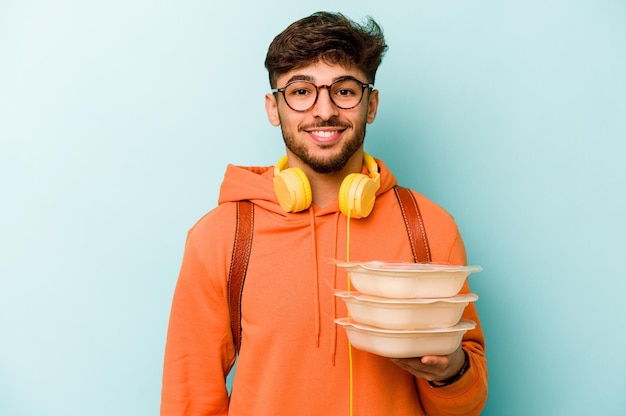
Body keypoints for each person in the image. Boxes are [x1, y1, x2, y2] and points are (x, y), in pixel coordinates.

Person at [161, 11, 488, 416]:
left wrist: (452, 370)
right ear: (273, 107)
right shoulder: (221, 236)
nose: (324, 110)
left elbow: (465, 404)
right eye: (301, 92)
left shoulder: (430, 228)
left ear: (371, 104)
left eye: (345, 91)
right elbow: (188, 399)